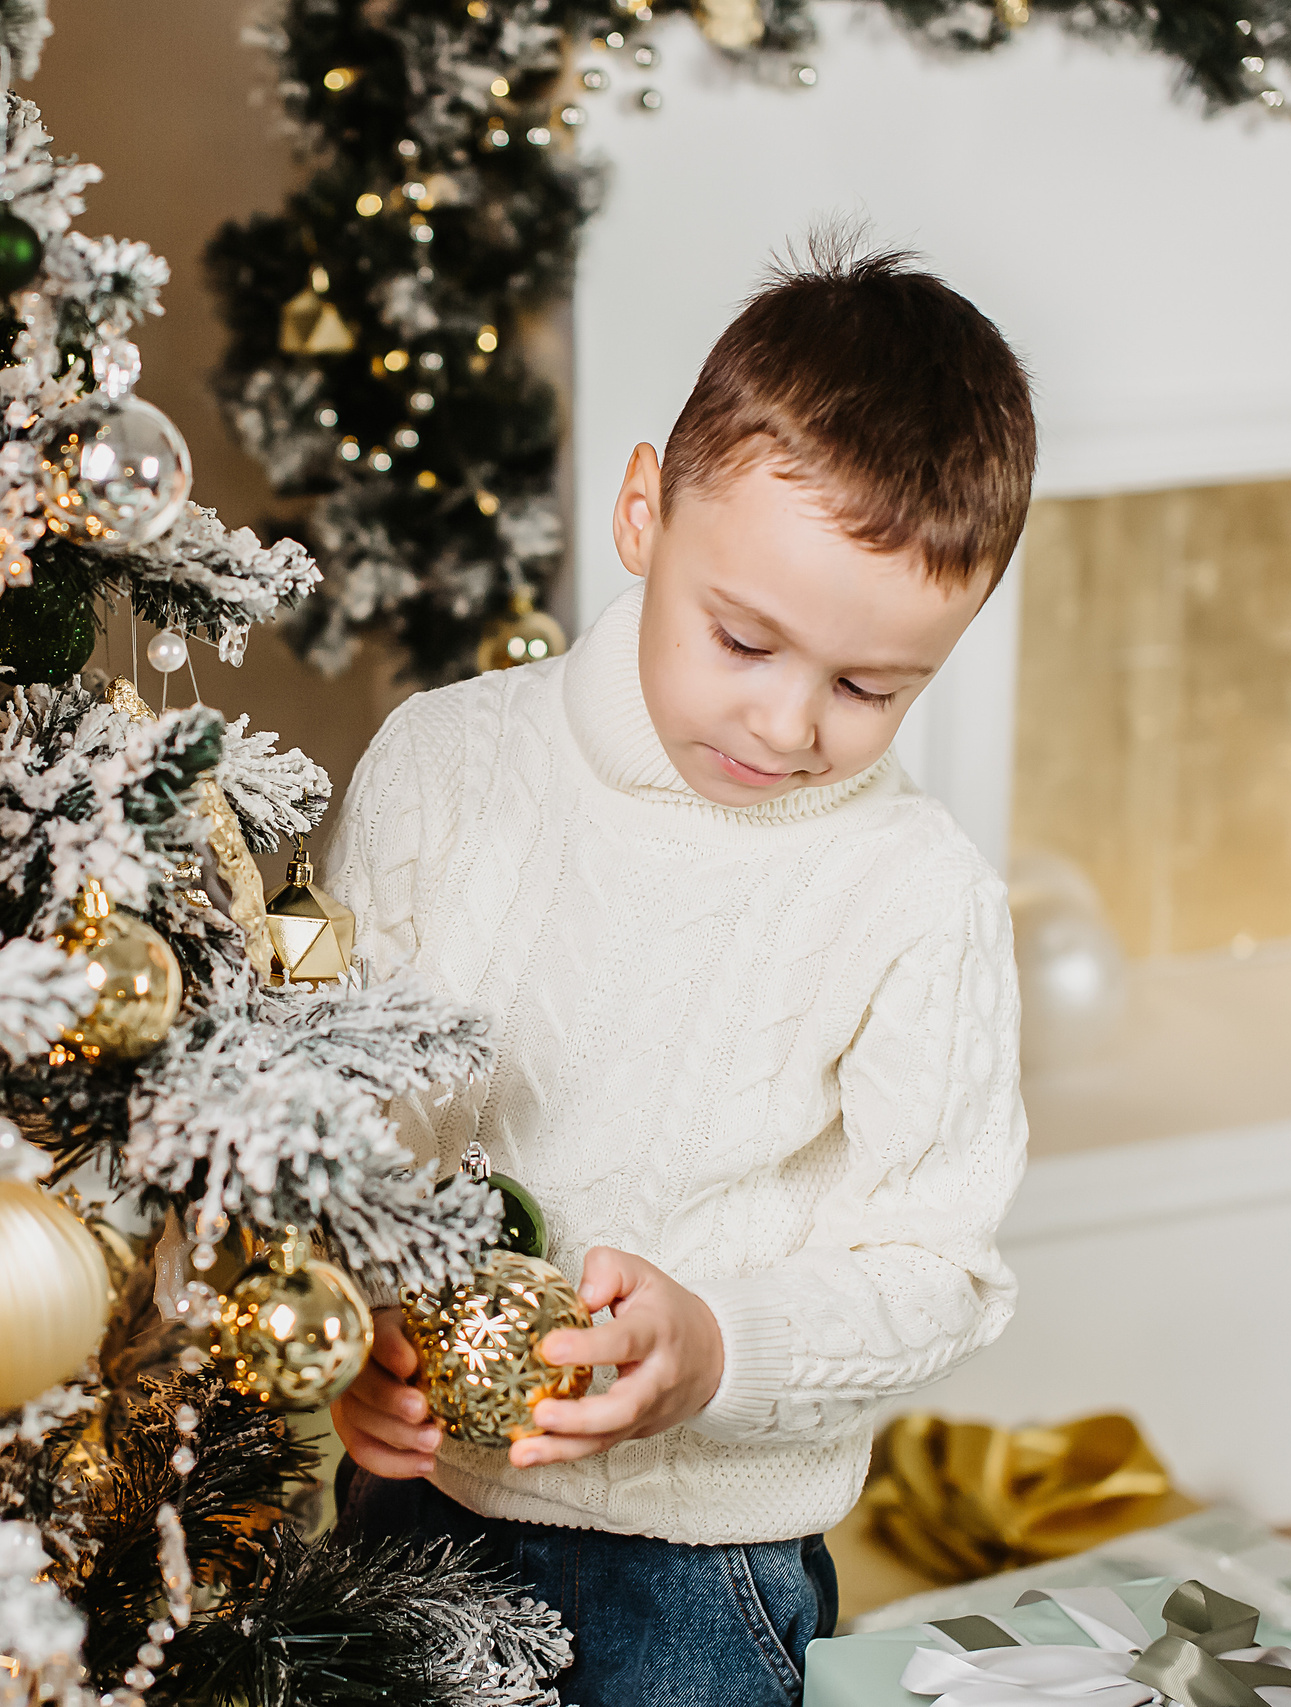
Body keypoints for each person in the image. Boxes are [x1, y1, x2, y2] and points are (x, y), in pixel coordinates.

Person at [321, 237, 1037, 1707]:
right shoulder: (445, 766)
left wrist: (719, 1349)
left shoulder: (916, 896)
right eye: (743, 639)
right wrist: (345, 1324)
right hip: (406, 1511)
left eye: (866, 689)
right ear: (643, 510)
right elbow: (325, 1108)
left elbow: (941, 1267)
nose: (784, 725)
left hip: (695, 1578)